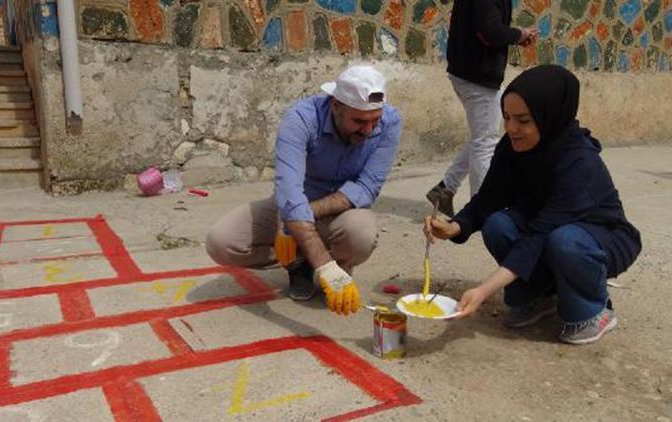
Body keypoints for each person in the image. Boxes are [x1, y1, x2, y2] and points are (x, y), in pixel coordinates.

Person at [423, 65, 641, 344]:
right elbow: (488, 198)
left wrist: (483, 290)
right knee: (498, 224)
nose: (512, 128)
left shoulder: (579, 163)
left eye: (523, 120)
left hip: (596, 239)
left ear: (549, 117)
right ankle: (539, 296)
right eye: (507, 118)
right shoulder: (511, 146)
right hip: (546, 231)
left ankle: (593, 309)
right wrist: (454, 227)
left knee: (565, 241)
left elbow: (539, 234)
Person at [206, 65, 402, 316]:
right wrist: (321, 262)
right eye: (359, 121)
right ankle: (302, 264)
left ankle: (333, 266)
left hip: (342, 213)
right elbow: (289, 192)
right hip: (294, 201)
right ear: (336, 107)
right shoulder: (301, 119)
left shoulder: (390, 121)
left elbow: (367, 187)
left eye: (374, 121)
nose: (368, 130)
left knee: (361, 234)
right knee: (221, 242)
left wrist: (299, 217)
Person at [426, 0, 539, 217]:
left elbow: (488, 30)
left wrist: (516, 37)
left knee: (483, 136)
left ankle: (445, 190)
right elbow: (490, 33)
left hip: (472, 74)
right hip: (476, 76)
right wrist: (519, 34)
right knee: (485, 141)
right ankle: (482, 208)